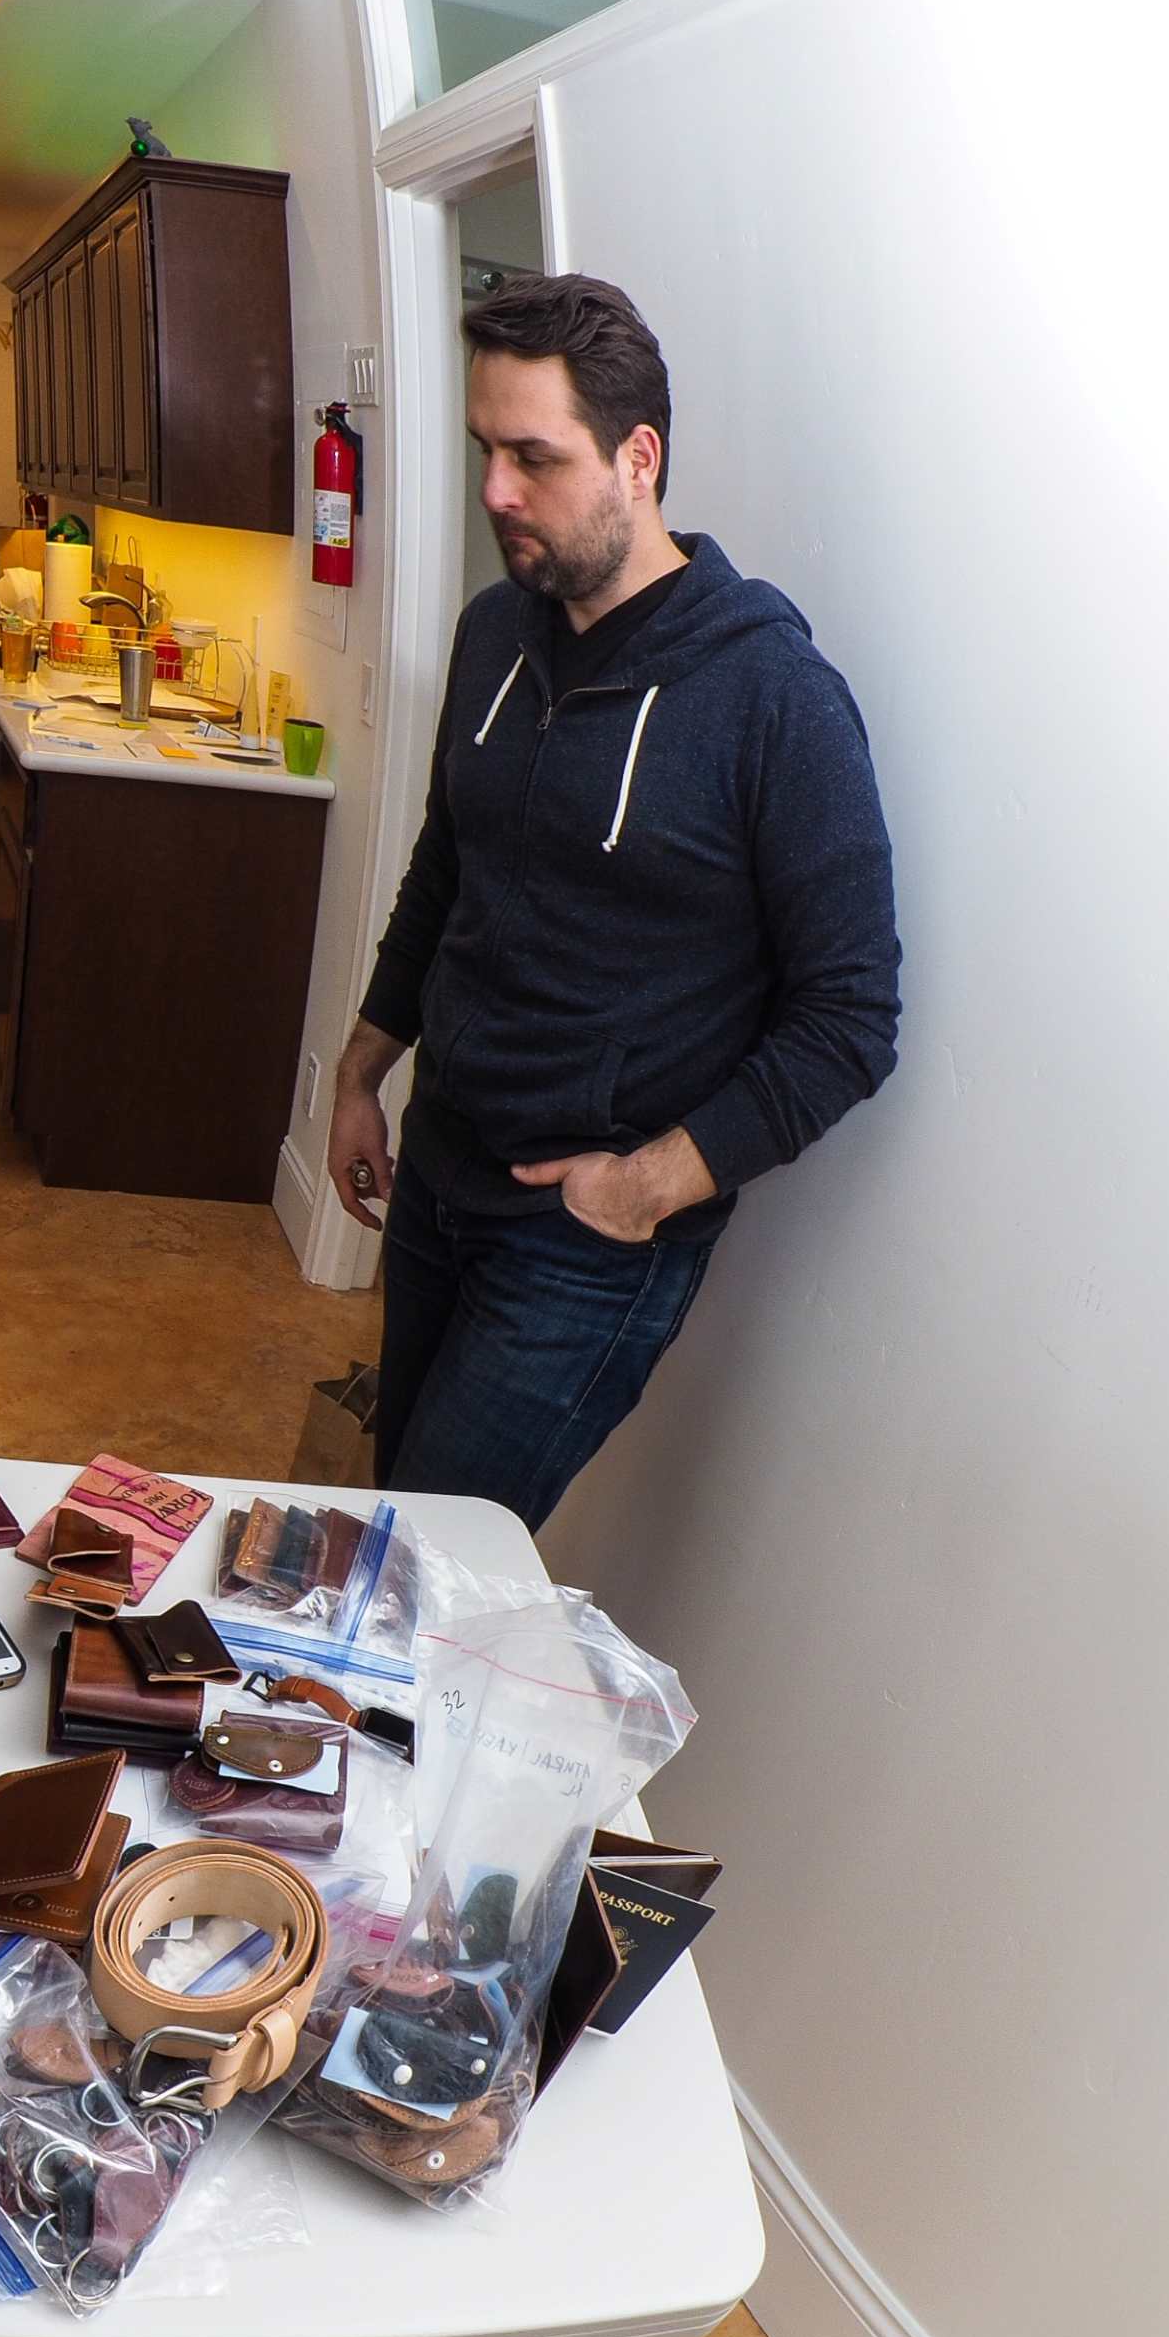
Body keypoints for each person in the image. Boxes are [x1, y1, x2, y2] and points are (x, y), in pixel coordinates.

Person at [327, 271, 900, 1530]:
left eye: (535, 457)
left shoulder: (774, 700)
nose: (494, 493)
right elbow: (448, 866)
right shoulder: (493, 632)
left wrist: (644, 1188)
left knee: (427, 1568)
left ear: (638, 459)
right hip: (439, 1171)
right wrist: (363, 1069)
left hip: (582, 1247)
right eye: (487, 450)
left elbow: (850, 1016)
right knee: (390, 1521)